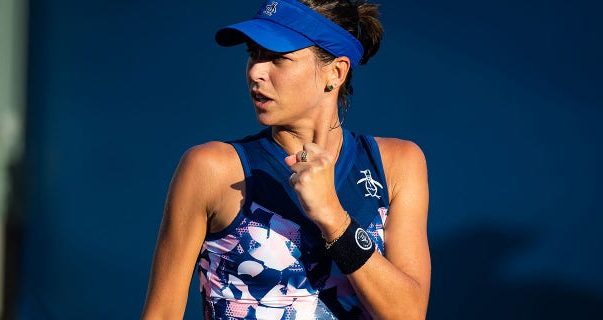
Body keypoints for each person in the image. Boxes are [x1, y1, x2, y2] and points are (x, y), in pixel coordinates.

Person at [141, 0, 430, 319]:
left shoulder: (397, 164)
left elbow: (409, 313)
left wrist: (332, 216)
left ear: (335, 72)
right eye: (253, 53)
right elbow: (161, 313)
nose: (255, 71)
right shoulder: (209, 168)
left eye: (278, 58)